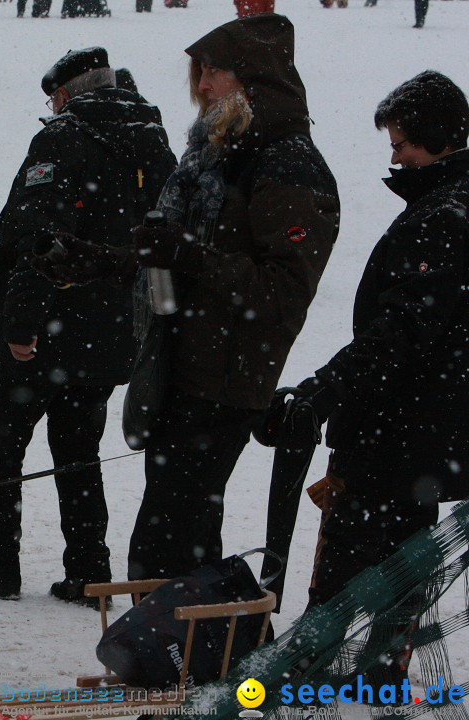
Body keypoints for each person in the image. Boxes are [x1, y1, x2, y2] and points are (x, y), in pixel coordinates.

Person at [32, 14, 340, 583]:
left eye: (215, 73)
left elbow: (284, 291)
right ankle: (207, 656)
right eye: (199, 73)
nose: (201, 87)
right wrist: (96, 259)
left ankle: (182, 660)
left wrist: (190, 256)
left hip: (226, 379)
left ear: (255, 81)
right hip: (182, 367)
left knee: (164, 546)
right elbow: (172, 254)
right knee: (184, 541)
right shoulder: (217, 151)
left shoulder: (287, 160)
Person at [0, 49, 177, 603]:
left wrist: (20, 322)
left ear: (65, 94)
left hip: (50, 328)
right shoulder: (153, 139)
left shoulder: (62, 138)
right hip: (110, 331)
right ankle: (90, 572)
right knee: (79, 452)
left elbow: (37, 235)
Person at [283, 70, 469, 681]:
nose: (396, 157)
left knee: (354, 564)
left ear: (443, 138)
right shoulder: (449, 204)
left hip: (403, 426)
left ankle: (310, 674)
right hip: (420, 429)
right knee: (400, 564)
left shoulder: (445, 215)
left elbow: (403, 330)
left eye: (403, 144)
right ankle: (378, 668)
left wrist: (325, 388)